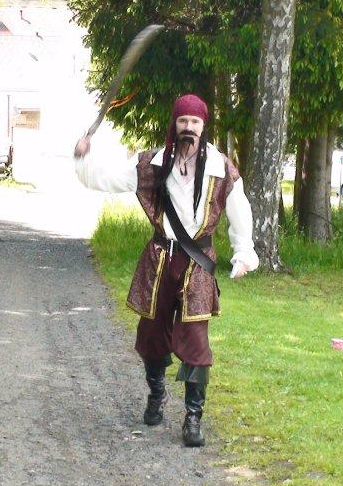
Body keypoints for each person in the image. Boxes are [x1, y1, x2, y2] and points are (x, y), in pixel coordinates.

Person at [73, 93, 259, 447]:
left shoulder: (221, 168)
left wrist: (243, 252)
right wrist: (84, 157)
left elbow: (240, 211)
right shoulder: (151, 164)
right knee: (152, 336)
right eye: (183, 121)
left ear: (204, 127)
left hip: (197, 264)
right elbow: (106, 179)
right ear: (174, 124)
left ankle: (193, 417)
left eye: (195, 122)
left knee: (196, 341)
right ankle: (156, 395)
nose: (189, 127)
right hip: (159, 260)